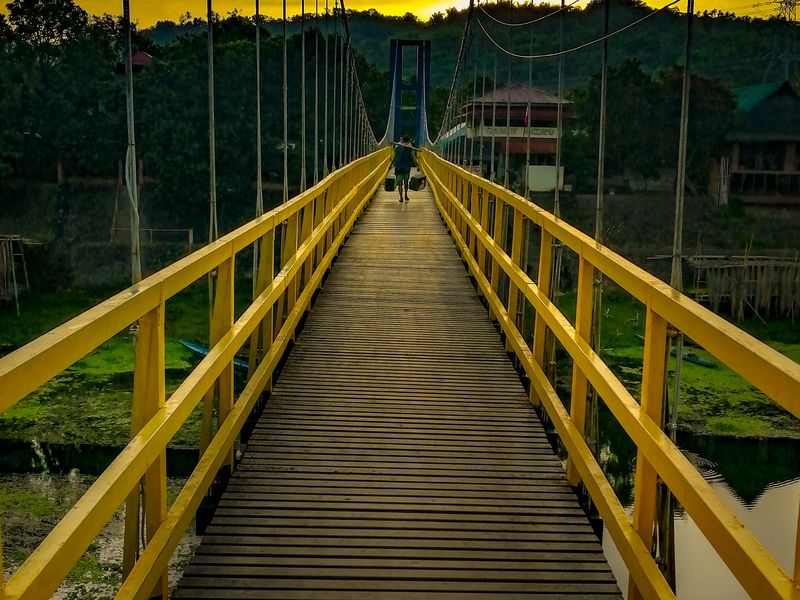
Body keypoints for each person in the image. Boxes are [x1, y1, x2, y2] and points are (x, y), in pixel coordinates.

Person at [391, 136, 417, 203]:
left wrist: (391, 164)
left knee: (400, 184)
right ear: (408, 141)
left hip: (398, 168)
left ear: (402, 140)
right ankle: (406, 195)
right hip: (406, 168)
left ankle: (401, 197)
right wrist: (418, 166)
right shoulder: (410, 148)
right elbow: (414, 158)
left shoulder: (397, 147)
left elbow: (394, 157)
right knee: (406, 183)